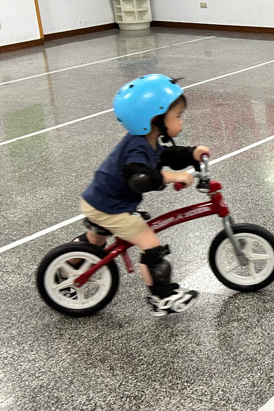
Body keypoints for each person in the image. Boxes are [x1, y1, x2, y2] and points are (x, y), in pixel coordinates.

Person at [79, 74, 210, 315]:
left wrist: (191, 153)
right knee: (151, 245)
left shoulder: (146, 140)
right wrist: (174, 177)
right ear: (155, 119)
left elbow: (164, 156)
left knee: (95, 244)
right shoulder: (137, 148)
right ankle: (162, 298)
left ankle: (66, 266)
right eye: (178, 116)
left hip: (101, 199)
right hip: (111, 206)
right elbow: (140, 178)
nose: (181, 121)